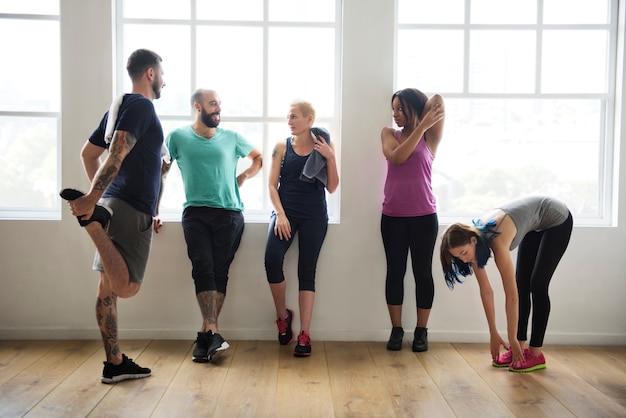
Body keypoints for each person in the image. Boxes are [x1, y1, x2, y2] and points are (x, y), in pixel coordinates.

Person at [59, 49, 166, 383]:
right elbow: (115, 154)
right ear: (150, 73)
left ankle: (114, 362)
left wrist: (100, 196)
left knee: (106, 288)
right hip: (131, 207)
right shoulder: (142, 105)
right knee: (126, 286)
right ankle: (94, 226)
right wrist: (92, 200)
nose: (165, 79)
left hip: (115, 203)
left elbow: (88, 154)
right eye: (162, 73)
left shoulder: (118, 108)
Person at [164, 89, 262, 363]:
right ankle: (213, 331)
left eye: (219, 103)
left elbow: (259, 158)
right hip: (195, 213)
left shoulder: (231, 138)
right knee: (203, 268)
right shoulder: (177, 137)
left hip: (229, 213)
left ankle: (205, 335)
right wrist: (154, 207)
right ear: (198, 106)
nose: (218, 108)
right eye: (213, 104)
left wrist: (243, 176)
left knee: (219, 271)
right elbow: (161, 170)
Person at [440, 196, 573, 372]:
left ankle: (535, 354)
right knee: (522, 284)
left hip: (556, 218)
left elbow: (511, 296)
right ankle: (519, 348)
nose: (464, 259)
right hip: (535, 222)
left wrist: (510, 337)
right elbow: (486, 291)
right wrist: (493, 333)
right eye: (459, 257)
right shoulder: (472, 245)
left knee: (538, 285)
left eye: (464, 253)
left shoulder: (497, 240)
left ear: (473, 240)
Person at [264, 100, 339, 357]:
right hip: (286, 213)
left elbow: (332, 187)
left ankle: (304, 334)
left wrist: (330, 158)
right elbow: (272, 186)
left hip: (315, 215)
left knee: (307, 271)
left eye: (294, 117)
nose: (289, 121)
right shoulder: (280, 148)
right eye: (288, 117)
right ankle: (283, 316)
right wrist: (281, 215)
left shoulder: (323, 146)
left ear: (309, 119)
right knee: (272, 259)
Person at [380, 88, 445, 352]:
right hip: (393, 216)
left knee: (422, 273)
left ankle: (421, 331)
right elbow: (396, 158)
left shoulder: (431, 136)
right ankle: (397, 330)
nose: (395, 114)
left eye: (400, 108)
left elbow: (438, 99)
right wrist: (420, 125)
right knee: (395, 272)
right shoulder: (388, 134)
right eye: (393, 108)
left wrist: (422, 119)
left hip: (424, 217)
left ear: (414, 109)